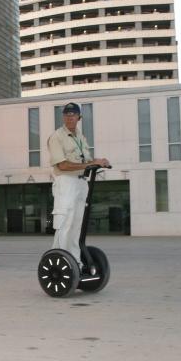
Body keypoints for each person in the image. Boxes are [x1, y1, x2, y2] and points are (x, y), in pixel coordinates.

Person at [47, 102, 111, 266]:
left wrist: (98, 161)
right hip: (66, 182)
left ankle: (75, 263)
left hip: (82, 183)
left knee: (77, 226)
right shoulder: (57, 137)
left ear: (79, 117)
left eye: (73, 114)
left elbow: (86, 159)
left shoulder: (80, 137)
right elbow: (62, 165)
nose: (70, 117)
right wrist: (88, 165)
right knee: (65, 224)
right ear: (63, 117)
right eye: (67, 114)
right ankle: (58, 261)